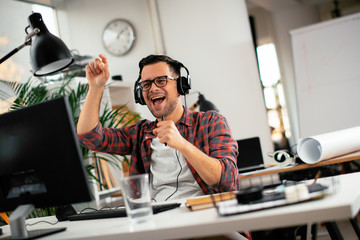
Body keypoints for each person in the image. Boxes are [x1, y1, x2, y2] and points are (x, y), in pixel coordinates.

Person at [77, 54, 240, 202]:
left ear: (180, 87)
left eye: (161, 81)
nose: (153, 88)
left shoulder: (211, 122)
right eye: (146, 84)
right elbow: (89, 137)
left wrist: (182, 144)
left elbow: (226, 180)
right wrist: (96, 87)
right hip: (159, 222)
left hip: (206, 217)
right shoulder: (141, 133)